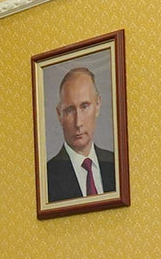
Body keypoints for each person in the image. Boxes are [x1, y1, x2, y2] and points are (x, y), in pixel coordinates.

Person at [44, 65, 117, 202]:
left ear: (98, 105)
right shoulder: (46, 177)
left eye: (84, 106)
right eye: (70, 110)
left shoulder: (116, 165)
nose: (78, 123)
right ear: (59, 115)